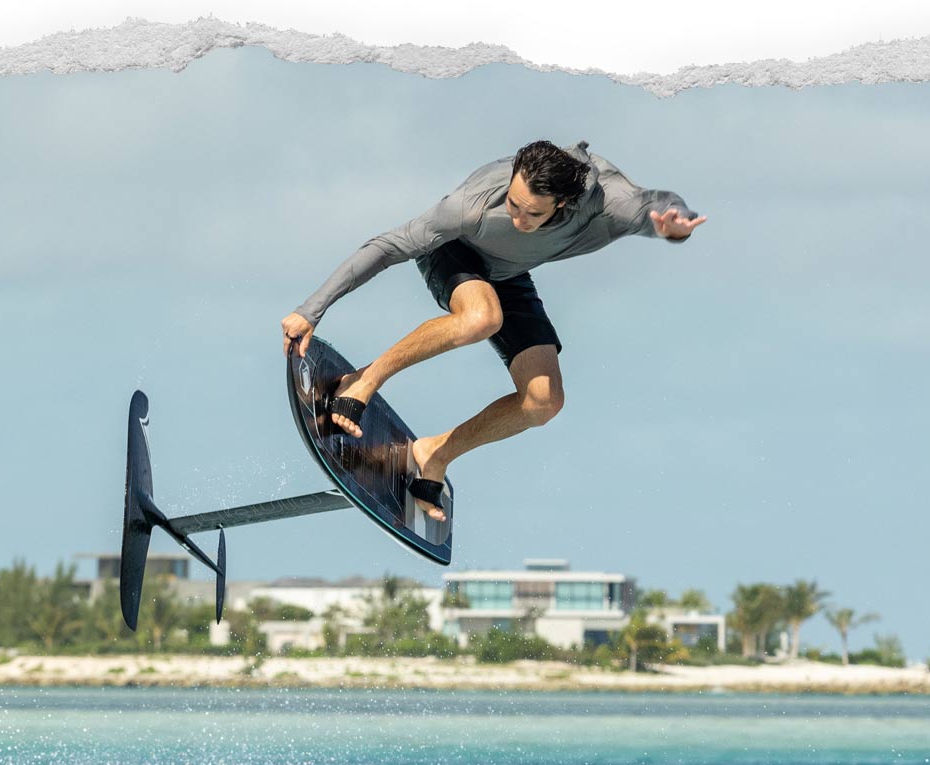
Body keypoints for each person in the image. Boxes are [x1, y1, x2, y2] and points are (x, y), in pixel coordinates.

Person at [280, 139, 706, 521]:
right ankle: (363, 381)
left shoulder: (607, 203)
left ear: (563, 204)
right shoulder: (473, 204)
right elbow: (388, 246)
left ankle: (434, 454)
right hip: (454, 254)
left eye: (530, 212)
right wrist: (311, 310)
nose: (515, 214)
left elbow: (658, 203)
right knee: (481, 317)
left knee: (544, 402)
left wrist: (676, 224)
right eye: (513, 203)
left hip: (510, 274)